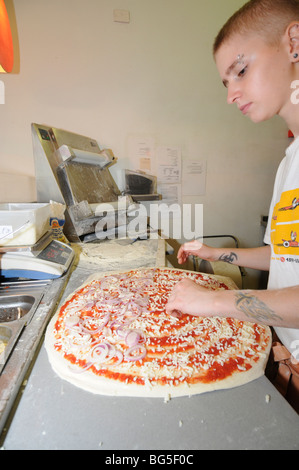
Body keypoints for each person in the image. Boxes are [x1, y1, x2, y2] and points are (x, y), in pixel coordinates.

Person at [165, 0, 299, 411]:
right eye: (225, 82)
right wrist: (216, 253)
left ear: (294, 42)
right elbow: (285, 257)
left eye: (240, 71)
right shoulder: (290, 161)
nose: (231, 94)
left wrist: (214, 301)